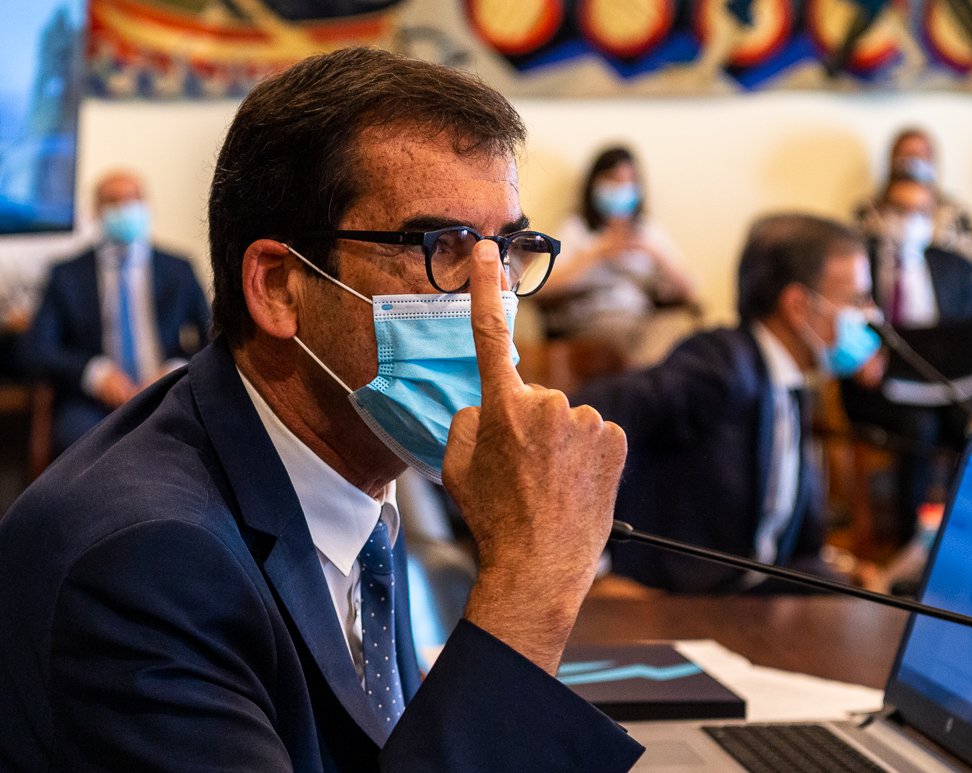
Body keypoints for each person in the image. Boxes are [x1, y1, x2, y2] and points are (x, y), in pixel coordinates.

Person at [0, 48, 642, 771]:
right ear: (279, 286)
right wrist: (528, 588)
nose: (491, 302)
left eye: (508, 250)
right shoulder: (149, 559)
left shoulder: (356, 461)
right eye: (442, 248)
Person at [574, 213, 881, 594]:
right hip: (681, 601)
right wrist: (598, 571)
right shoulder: (721, 363)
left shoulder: (794, 383)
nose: (870, 314)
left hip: (750, 594)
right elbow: (585, 418)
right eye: (857, 299)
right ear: (799, 305)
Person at [843, 171, 972, 545]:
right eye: (900, 209)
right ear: (880, 211)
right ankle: (909, 540)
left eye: (921, 211)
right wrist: (858, 356)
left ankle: (962, 533)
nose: (911, 220)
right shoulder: (856, 262)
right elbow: (839, 321)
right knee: (918, 426)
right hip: (878, 389)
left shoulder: (954, 266)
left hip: (943, 385)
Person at [19, 170, 211, 452]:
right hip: (92, 405)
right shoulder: (66, 275)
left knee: (193, 443)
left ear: (146, 205)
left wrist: (173, 370)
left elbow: (212, 336)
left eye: (132, 199)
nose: (124, 208)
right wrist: (94, 373)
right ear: (96, 211)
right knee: (80, 446)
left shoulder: (178, 269)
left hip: (167, 393)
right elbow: (37, 350)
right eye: (113, 201)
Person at [533, 145, 697, 372]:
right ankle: (638, 381)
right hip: (596, 321)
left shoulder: (648, 230)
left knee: (678, 329)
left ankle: (640, 381)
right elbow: (542, 287)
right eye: (613, 180)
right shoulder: (577, 229)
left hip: (641, 320)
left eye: (628, 181)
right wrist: (597, 253)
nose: (621, 188)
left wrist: (653, 252)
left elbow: (691, 292)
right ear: (594, 183)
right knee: (618, 340)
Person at [854, 127, 972, 264]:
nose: (914, 161)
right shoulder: (868, 212)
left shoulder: (956, 214)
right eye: (907, 153)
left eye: (922, 154)